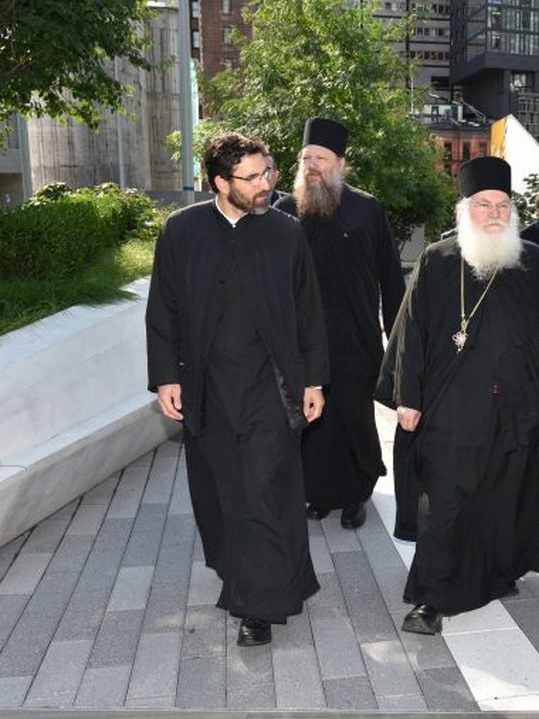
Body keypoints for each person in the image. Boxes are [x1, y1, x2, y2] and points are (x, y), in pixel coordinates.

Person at [146, 131, 327, 647]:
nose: (265, 184)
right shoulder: (180, 233)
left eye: (266, 173)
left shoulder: (286, 234)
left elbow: (310, 313)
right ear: (220, 183)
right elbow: (163, 311)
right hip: (208, 392)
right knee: (222, 495)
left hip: (272, 390)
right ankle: (249, 578)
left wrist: (314, 380)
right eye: (251, 177)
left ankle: (257, 608)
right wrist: (166, 377)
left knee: (264, 492)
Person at [377, 156, 539, 635]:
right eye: (483, 205)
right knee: (445, 505)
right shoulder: (438, 259)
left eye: (502, 204)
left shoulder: (534, 260)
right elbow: (409, 332)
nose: (495, 213)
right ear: (465, 209)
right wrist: (407, 398)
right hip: (452, 407)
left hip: (516, 407)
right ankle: (431, 600)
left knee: (504, 497)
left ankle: (499, 572)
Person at [276, 117, 405, 530]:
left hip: (356, 340)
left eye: (321, 157)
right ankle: (317, 492)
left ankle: (356, 494)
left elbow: (390, 276)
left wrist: (399, 340)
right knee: (311, 423)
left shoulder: (366, 209)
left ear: (341, 164)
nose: (312, 164)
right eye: (306, 157)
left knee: (352, 419)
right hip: (303, 344)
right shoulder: (284, 212)